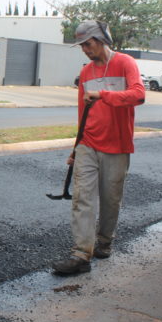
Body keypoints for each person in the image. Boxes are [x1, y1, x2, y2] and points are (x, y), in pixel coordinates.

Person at [52, 21, 146, 275]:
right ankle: (81, 254)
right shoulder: (85, 73)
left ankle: (105, 241)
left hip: (117, 146)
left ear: (101, 39)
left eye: (88, 43)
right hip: (89, 144)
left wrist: (104, 95)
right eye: (81, 45)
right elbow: (83, 112)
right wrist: (76, 147)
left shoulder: (125, 63)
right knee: (82, 198)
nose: (85, 49)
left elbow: (138, 95)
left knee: (110, 199)